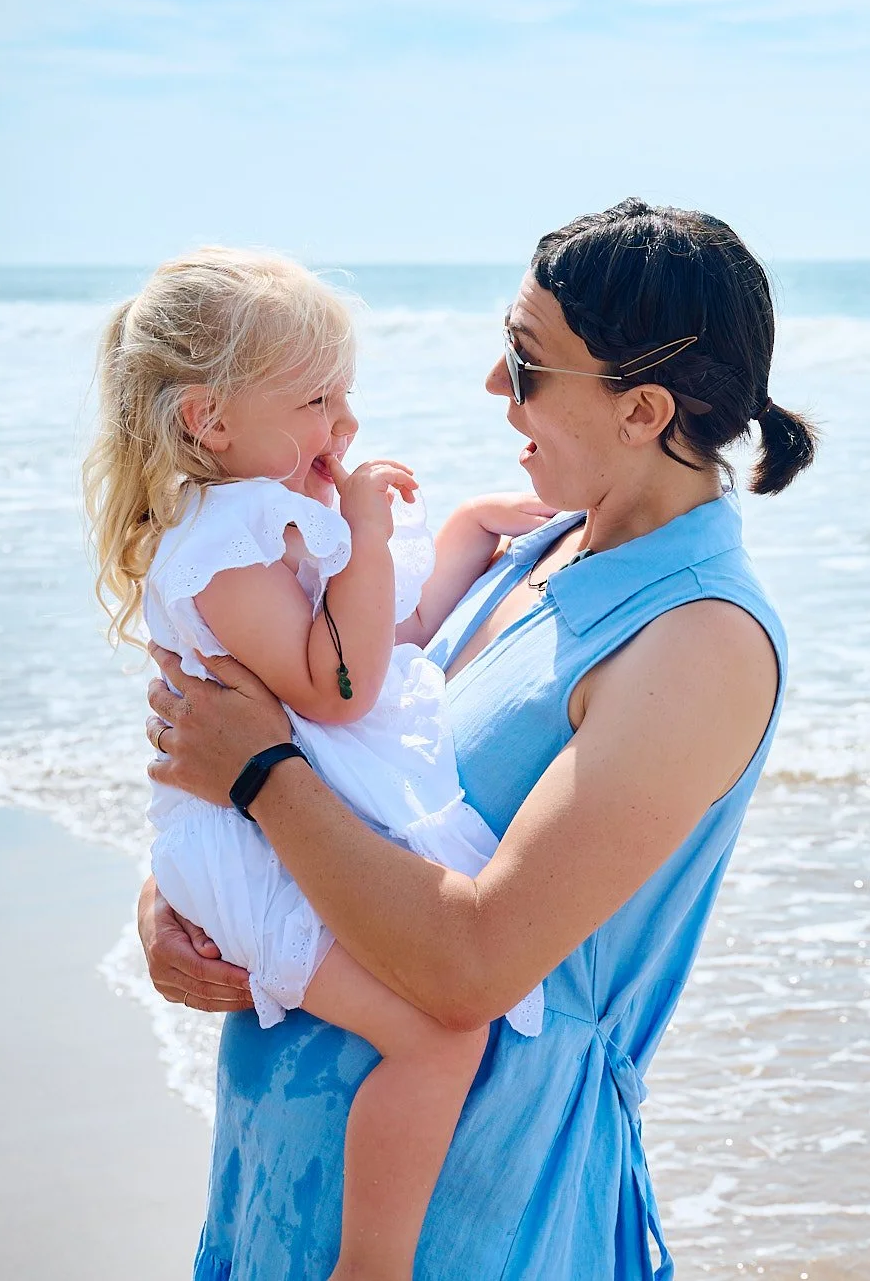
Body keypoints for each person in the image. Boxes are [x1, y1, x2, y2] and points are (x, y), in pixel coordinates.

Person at [138, 199, 815, 1278]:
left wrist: (257, 775)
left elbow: (471, 967)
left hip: (480, 1216)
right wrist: (180, 899)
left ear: (641, 409)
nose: (495, 388)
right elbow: (355, 772)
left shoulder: (698, 642)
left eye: (527, 360)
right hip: (283, 1186)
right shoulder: (528, 546)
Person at [86, 249, 551, 1279]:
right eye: (313, 398)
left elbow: (388, 648)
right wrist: (369, 533)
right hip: (248, 854)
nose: (342, 424)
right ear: (209, 420)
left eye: (345, 393)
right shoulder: (221, 550)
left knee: (446, 1022)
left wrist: (465, 530)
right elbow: (333, 687)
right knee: (438, 1040)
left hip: (274, 824)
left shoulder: (274, 519)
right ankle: (370, 1267)